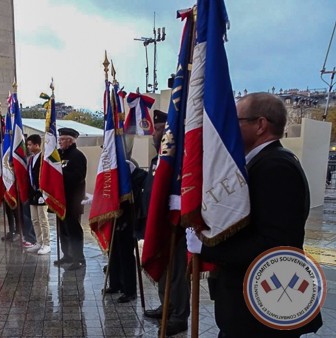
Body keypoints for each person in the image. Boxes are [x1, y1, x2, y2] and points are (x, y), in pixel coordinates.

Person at [186, 92, 323, 337]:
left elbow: (274, 245)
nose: (230, 128)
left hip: (261, 309)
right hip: (249, 306)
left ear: (260, 125)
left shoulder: (276, 167)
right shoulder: (261, 163)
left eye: (236, 121)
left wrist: (207, 249)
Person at [142, 110, 190, 336]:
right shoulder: (156, 160)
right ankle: (166, 305)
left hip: (176, 227)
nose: (157, 133)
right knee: (163, 269)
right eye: (156, 129)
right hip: (159, 224)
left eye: (162, 129)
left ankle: (179, 316)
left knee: (178, 273)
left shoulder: (179, 161)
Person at [105, 160, 148, 303]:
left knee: (126, 255)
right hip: (113, 215)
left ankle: (129, 291)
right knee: (113, 252)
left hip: (128, 217)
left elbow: (143, 182)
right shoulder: (110, 166)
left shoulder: (128, 165)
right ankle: (115, 283)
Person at [53, 128, 87, 271]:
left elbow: (78, 176)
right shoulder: (59, 155)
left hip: (72, 199)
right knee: (63, 229)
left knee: (74, 229)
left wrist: (60, 174)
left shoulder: (77, 156)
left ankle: (78, 258)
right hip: (60, 199)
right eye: (59, 139)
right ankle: (67, 255)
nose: (59, 142)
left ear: (70, 140)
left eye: (62, 139)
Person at [26, 134, 51, 254]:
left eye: (30, 144)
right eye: (28, 145)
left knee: (43, 219)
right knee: (34, 219)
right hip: (32, 192)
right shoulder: (31, 159)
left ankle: (46, 243)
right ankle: (39, 241)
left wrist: (43, 192)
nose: (28, 147)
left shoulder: (43, 158)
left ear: (37, 145)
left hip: (41, 192)